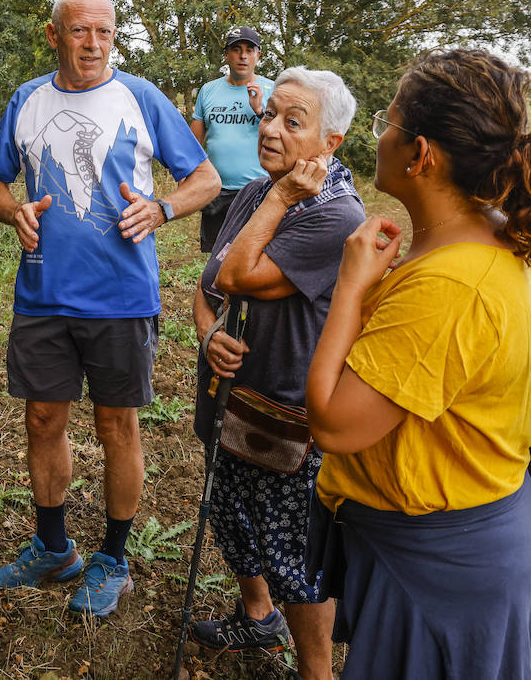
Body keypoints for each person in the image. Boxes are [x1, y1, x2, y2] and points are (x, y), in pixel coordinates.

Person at [306, 49, 531, 678]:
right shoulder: (489, 239)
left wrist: (350, 286)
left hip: (442, 568)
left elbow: (332, 424)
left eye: (387, 121)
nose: (377, 134)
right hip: (460, 542)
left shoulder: (448, 287)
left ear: (421, 154)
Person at [0, 0, 220, 616]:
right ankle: (53, 547)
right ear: (54, 34)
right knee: (42, 419)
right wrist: (13, 211)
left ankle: (112, 559)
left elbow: (205, 178)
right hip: (43, 294)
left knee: (117, 425)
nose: (93, 44)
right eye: (80, 31)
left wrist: (162, 208)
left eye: (105, 32)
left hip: (121, 296)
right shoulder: (28, 100)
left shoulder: (140, 98)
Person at [188, 67, 362, 680]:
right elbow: (208, 286)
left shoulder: (333, 215)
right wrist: (209, 333)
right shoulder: (258, 191)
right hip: (233, 398)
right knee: (232, 517)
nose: (271, 130)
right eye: (269, 115)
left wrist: (282, 198)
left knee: (296, 558)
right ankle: (257, 617)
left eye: (293, 121)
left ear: (330, 142)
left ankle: (316, 672)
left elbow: (237, 275)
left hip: (287, 412)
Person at [191, 26, 275, 252]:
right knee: (217, 258)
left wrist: (260, 111)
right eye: (236, 49)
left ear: (258, 55)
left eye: (249, 50)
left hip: (258, 191)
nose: (243, 56)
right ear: (226, 55)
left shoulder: (273, 90)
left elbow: (283, 139)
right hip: (215, 191)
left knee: (254, 255)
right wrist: (188, 177)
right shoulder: (208, 90)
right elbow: (193, 143)